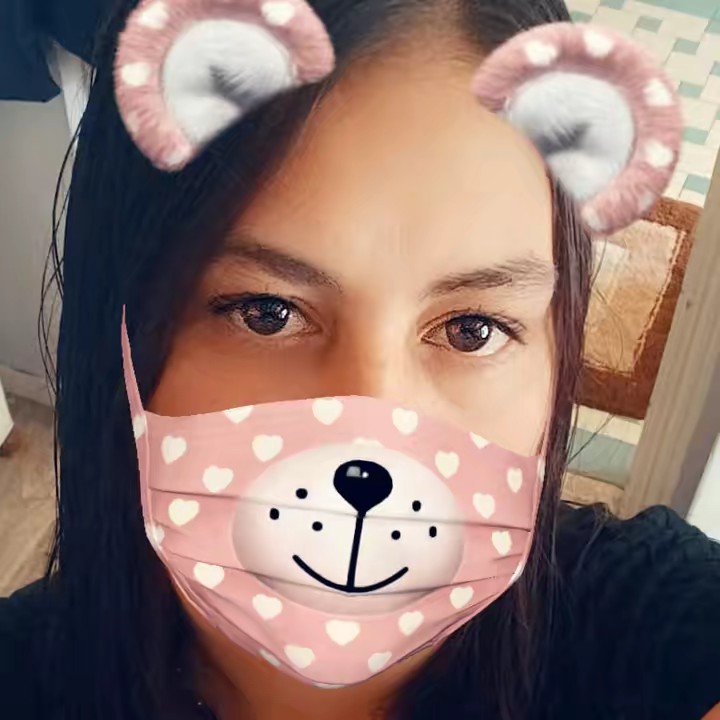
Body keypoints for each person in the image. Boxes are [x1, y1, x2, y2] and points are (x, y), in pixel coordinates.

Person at [1, 0, 719, 718]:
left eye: (471, 329)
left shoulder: (639, 619)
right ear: (121, 326)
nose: (373, 435)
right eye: (267, 312)